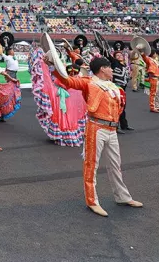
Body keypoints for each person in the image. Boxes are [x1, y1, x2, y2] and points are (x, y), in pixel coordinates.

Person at [52, 56, 143, 217]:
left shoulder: (112, 86)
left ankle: (122, 196)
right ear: (102, 69)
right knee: (91, 165)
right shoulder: (89, 82)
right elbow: (69, 82)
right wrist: (53, 65)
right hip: (96, 128)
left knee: (116, 165)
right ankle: (92, 201)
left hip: (111, 130)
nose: (112, 70)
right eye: (109, 67)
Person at [28, 45, 87, 146]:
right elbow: (52, 74)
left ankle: (63, 134)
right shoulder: (73, 79)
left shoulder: (76, 80)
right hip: (63, 97)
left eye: (74, 72)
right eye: (71, 72)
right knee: (65, 116)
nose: (72, 73)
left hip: (66, 97)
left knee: (65, 116)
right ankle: (66, 134)